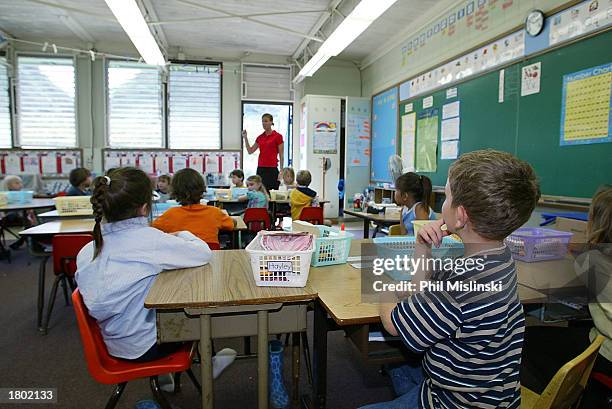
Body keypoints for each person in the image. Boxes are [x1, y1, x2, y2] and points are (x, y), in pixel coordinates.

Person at [364, 150, 540, 408]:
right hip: (495, 393)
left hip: (456, 402)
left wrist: (385, 286)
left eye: (445, 197)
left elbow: (392, 324)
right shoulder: (501, 256)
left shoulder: (459, 284)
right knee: (401, 370)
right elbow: (420, 290)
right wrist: (423, 247)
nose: (441, 205)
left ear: (461, 216)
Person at [76, 167, 213, 362]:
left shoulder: (87, 250)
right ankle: (210, 364)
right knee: (205, 317)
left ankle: (168, 377)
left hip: (112, 343)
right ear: (144, 208)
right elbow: (203, 253)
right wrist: (182, 234)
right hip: (148, 344)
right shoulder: (151, 241)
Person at [521, 185, 612, 408]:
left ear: (596, 221)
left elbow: (553, 281)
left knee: (523, 339)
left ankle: (545, 397)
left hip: (605, 353)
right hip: (602, 340)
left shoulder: (592, 259)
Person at [152, 168, 235, 248]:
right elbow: (231, 225)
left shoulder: (170, 214)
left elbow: (152, 228)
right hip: (210, 259)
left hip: (181, 259)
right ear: (202, 189)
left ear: (175, 191)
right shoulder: (215, 212)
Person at [242, 113, 284, 192]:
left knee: (272, 192)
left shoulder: (278, 136)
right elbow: (250, 151)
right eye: (262, 122)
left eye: (266, 121)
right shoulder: (260, 137)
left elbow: (281, 155)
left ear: (271, 122)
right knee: (260, 192)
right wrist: (245, 138)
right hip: (261, 168)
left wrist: (281, 170)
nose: (264, 123)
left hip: (272, 168)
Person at [1, 175, 32, 250]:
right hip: (9, 217)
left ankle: (20, 242)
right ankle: (22, 241)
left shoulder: (23, 194)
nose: (20, 184)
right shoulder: (4, 195)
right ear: (9, 185)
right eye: (17, 183)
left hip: (21, 216)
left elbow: (27, 206)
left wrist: (29, 211)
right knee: (16, 216)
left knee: (30, 225)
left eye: (21, 182)